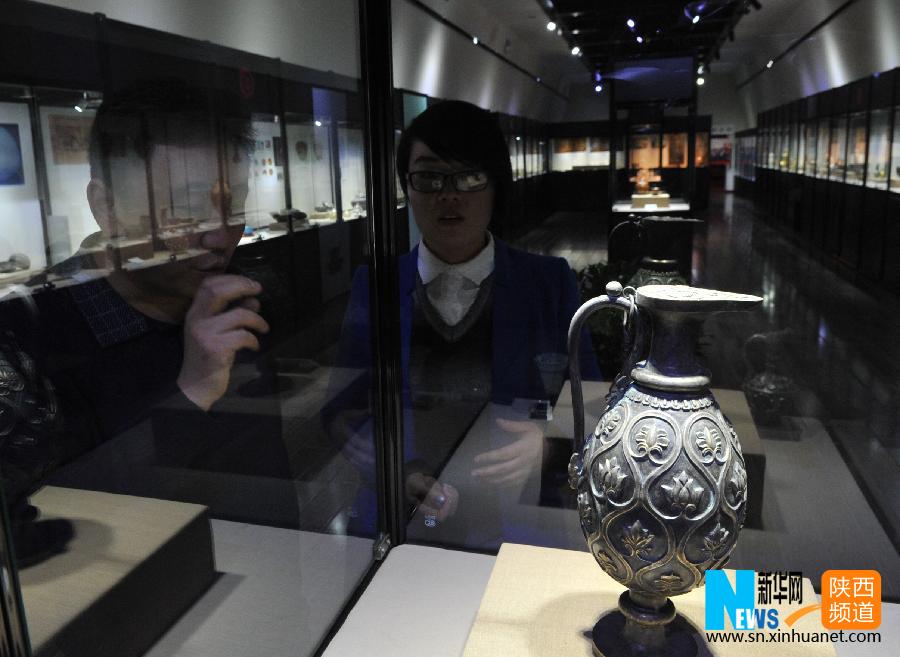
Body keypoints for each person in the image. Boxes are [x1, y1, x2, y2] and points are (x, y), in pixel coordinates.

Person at [326, 101, 597, 546]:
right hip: (401, 518)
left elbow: (592, 399)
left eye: (470, 176)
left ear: (497, 186)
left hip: (520, 517)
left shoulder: (549, 282)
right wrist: (397, 468)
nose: (449, 195)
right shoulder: (375, 285)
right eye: (429, 177)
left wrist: (548, 443)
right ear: (407, 188)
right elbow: (343, 409)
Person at [5, 78, 290, 499]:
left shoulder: (239, 292)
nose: (221, 236)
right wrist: (190, 394)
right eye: (186, 210)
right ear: (106, 207)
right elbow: (47, 522)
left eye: (236, 203)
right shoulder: (25, 335)